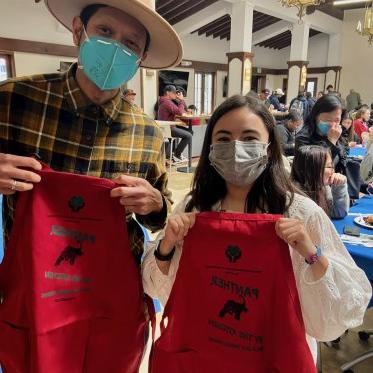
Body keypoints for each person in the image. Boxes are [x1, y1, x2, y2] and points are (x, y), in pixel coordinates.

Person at [0, 0, 182, 369]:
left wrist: (154, 204)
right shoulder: (13, 101)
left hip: (113, 298)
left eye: (131, 43)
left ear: (142, 57)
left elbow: (159, 214)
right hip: (37, 289)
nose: (116, 47)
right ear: (78, 31)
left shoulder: (147, 134)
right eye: (105, 32)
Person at [142, 95, 371, 364]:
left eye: (250, 139)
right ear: (211, 148)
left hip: (270, 358)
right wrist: (167, 245)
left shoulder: (300, 213)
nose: (236, 148)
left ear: (270, 146)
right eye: (224, 139)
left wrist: (311, 253)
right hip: (204, 355)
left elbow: (339, 314)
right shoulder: (194, 208)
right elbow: (156, 288)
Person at [291, 145, 349, 219]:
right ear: (312, 170)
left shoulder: (322, 187)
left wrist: (339, 185)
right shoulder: (296, 200)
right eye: (329, 166)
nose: (333, 171)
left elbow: (339, 212)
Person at [296, 94, 347, 175]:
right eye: (328, 119)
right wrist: (331, 142)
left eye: (337, 120)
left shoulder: (338, 133)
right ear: (315, 116)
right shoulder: (303, 137)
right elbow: (313, 168)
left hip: (335, 185)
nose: (332, 124)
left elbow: (342, 162)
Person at [157, 85, 192, 163]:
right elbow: (180, 112)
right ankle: (177, 154)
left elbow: (184, 110)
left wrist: (181, 100)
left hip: (167, 128)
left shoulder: (165, 101)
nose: (175, 94)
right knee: (188, 135)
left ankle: (175, 154)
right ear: (167, 93)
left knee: (190, 132)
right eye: (173, 93)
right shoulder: (167, 102)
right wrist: (182, 101)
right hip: (168, 129)